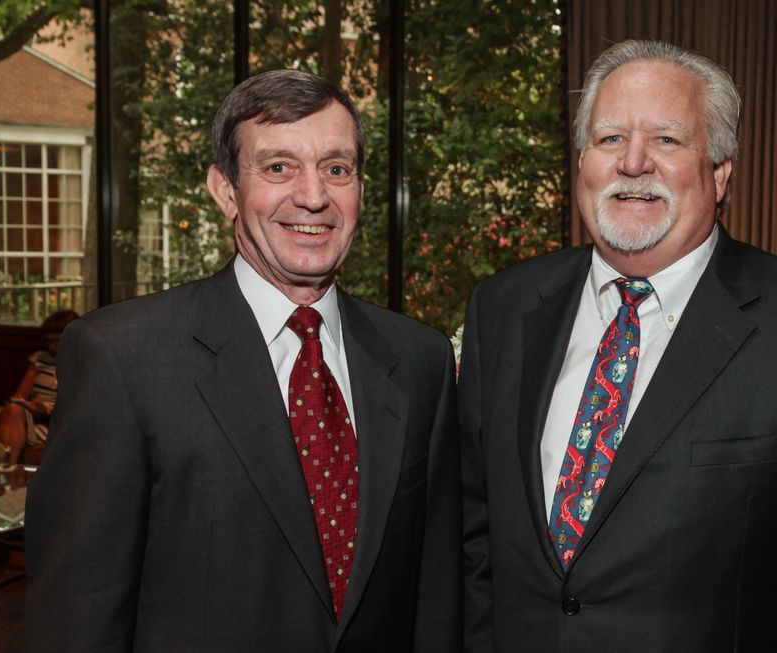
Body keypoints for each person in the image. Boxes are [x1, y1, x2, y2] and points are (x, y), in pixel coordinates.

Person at [460, 39, 777, 651]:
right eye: (609, 139)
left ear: (720, 171)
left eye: (666, 139)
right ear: (581, 162)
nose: (633, 163)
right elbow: (474, 555)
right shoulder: (501, 310)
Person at [25, 70, 460, 651]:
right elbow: (77, 617)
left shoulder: (418, 359)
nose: (313, 195)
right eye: (278, 167)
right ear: (225, 190)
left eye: (337, 169)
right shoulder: (121, 357)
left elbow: (434, 599)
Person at [0, 309, 78, 464]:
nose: (52, 347)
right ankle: (5, 472)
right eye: (48, 342)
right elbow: (19, 396)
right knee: (13, 409)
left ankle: (5, 472)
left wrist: (47, 410)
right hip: (30, 416)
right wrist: (26, 405)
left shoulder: (80, 363)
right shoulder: (40, 358)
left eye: (57, 341)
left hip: (58, 419)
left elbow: (80, 404)